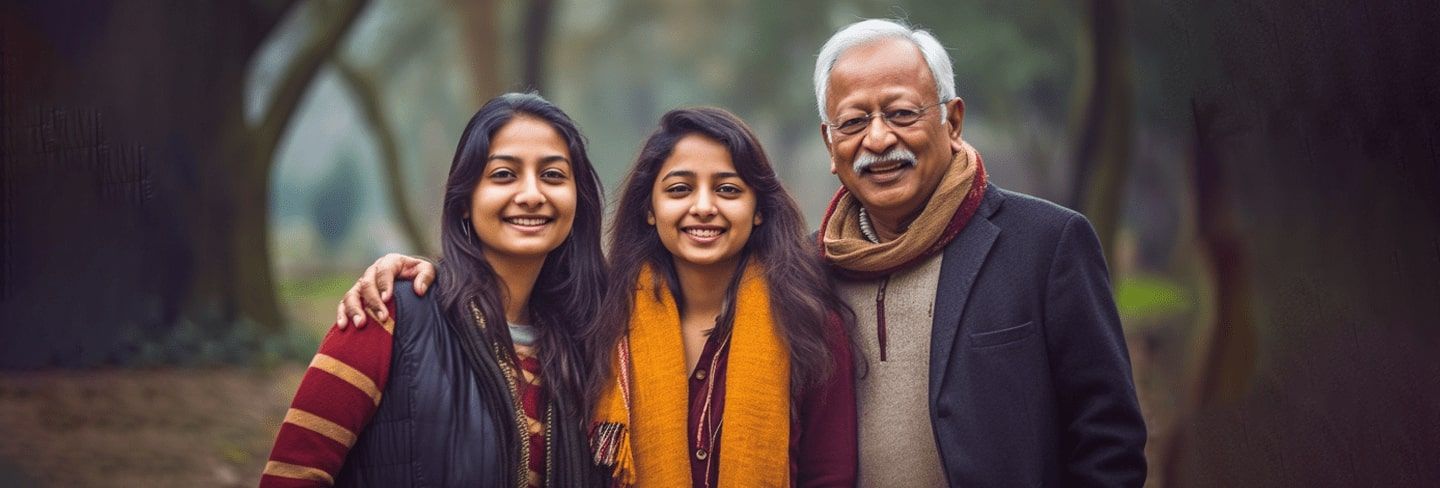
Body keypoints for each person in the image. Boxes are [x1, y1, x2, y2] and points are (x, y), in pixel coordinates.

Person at [342, 18, 1147, 487]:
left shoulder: (1043, 246)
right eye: (853, 123)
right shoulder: (603, 322)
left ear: (953, 119)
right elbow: (515, 306)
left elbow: (1109, 442)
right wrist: (420, 272)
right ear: (830, 146)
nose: (879, 140)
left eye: (902, 114)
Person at [261, 93, 605, 487]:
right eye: (504, 175)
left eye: (553, 175)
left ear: (578, 199)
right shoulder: (388, 312)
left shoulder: (593, 343)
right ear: (464, 201)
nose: (531, 194)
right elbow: (292, 475)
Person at [585, 108, 856, 486]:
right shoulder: (606, 324)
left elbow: (830, 474)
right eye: (679, 189)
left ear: (758, 209)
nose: (703, 207)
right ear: (649, 209)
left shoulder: (810, 324)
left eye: (727, 189)